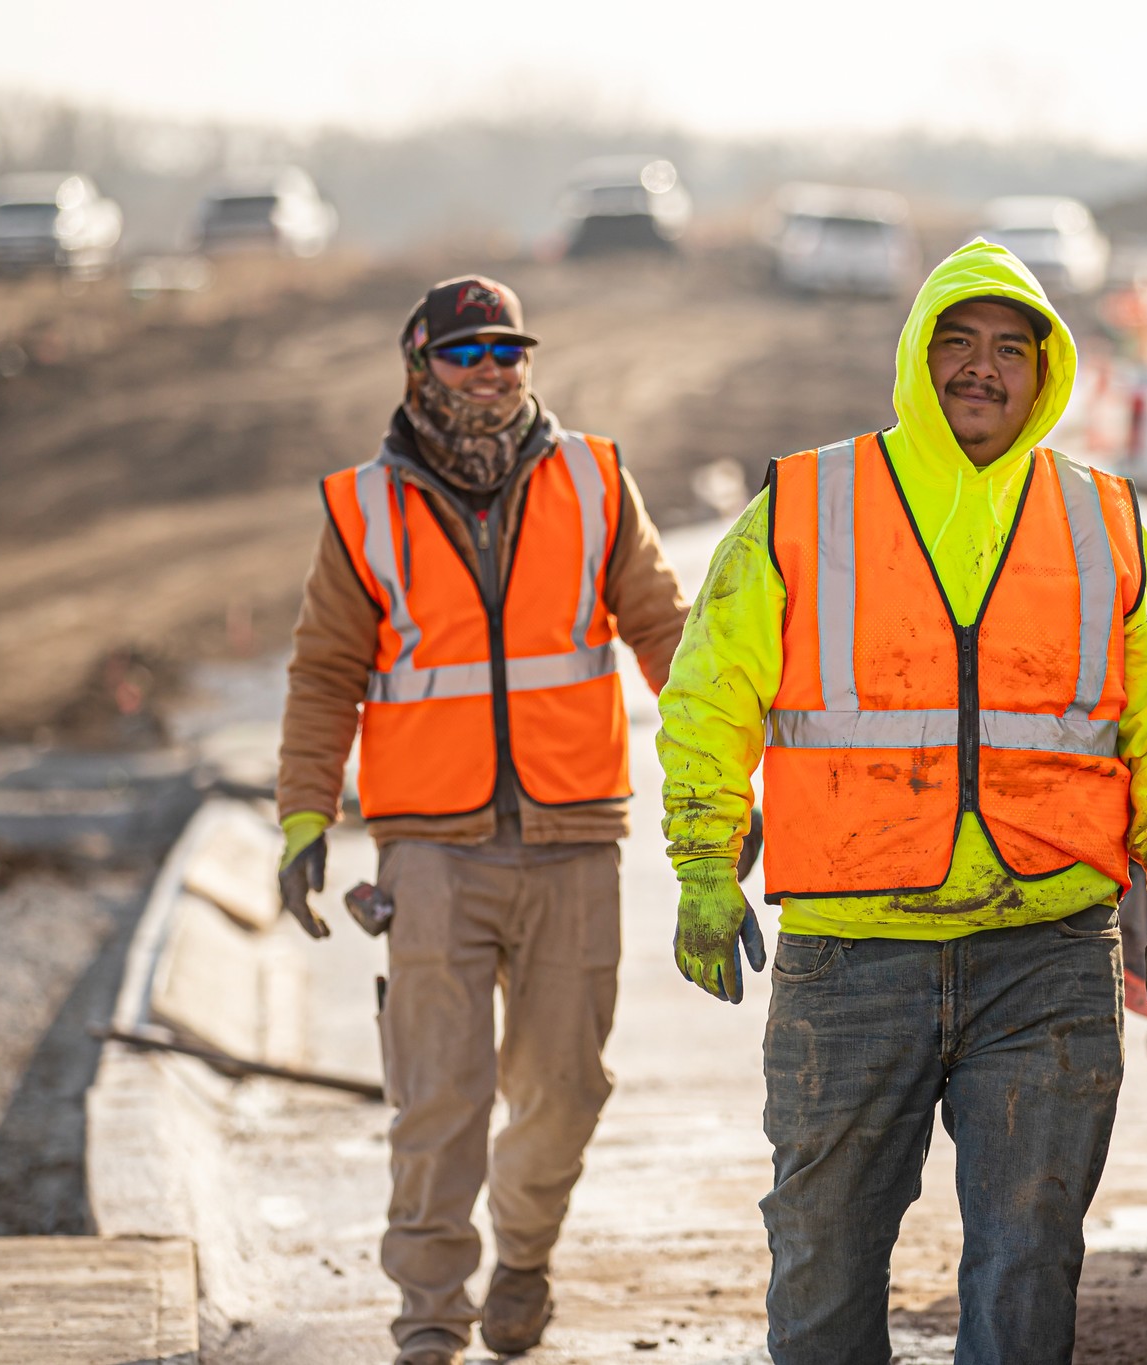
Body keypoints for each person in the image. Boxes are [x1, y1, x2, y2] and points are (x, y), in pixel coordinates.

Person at [655, 241, 1147, 1363]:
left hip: (1046, 951)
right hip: (851, 960)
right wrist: (703, 865)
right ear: (917, 357)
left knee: (1027, 1267)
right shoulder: (807, 503)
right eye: (956, 343)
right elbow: (708, 691)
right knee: (822, 1265)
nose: (980, 368)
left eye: (1008, 349)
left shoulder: (1103, 520)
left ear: (1045, 370)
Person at [276, 274, 690, 1364]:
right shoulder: (363, 507)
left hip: (573, 836)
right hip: (429, 847)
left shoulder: (597, 480)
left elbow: (667, 636)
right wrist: (303, 819)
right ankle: (427, 1318)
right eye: (468, 354)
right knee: (437, 1097)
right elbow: (324, 675)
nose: (495, 372)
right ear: (420, 367)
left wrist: (724, 781)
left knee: (564, 1089)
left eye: (509, 352)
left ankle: (523, 1251)